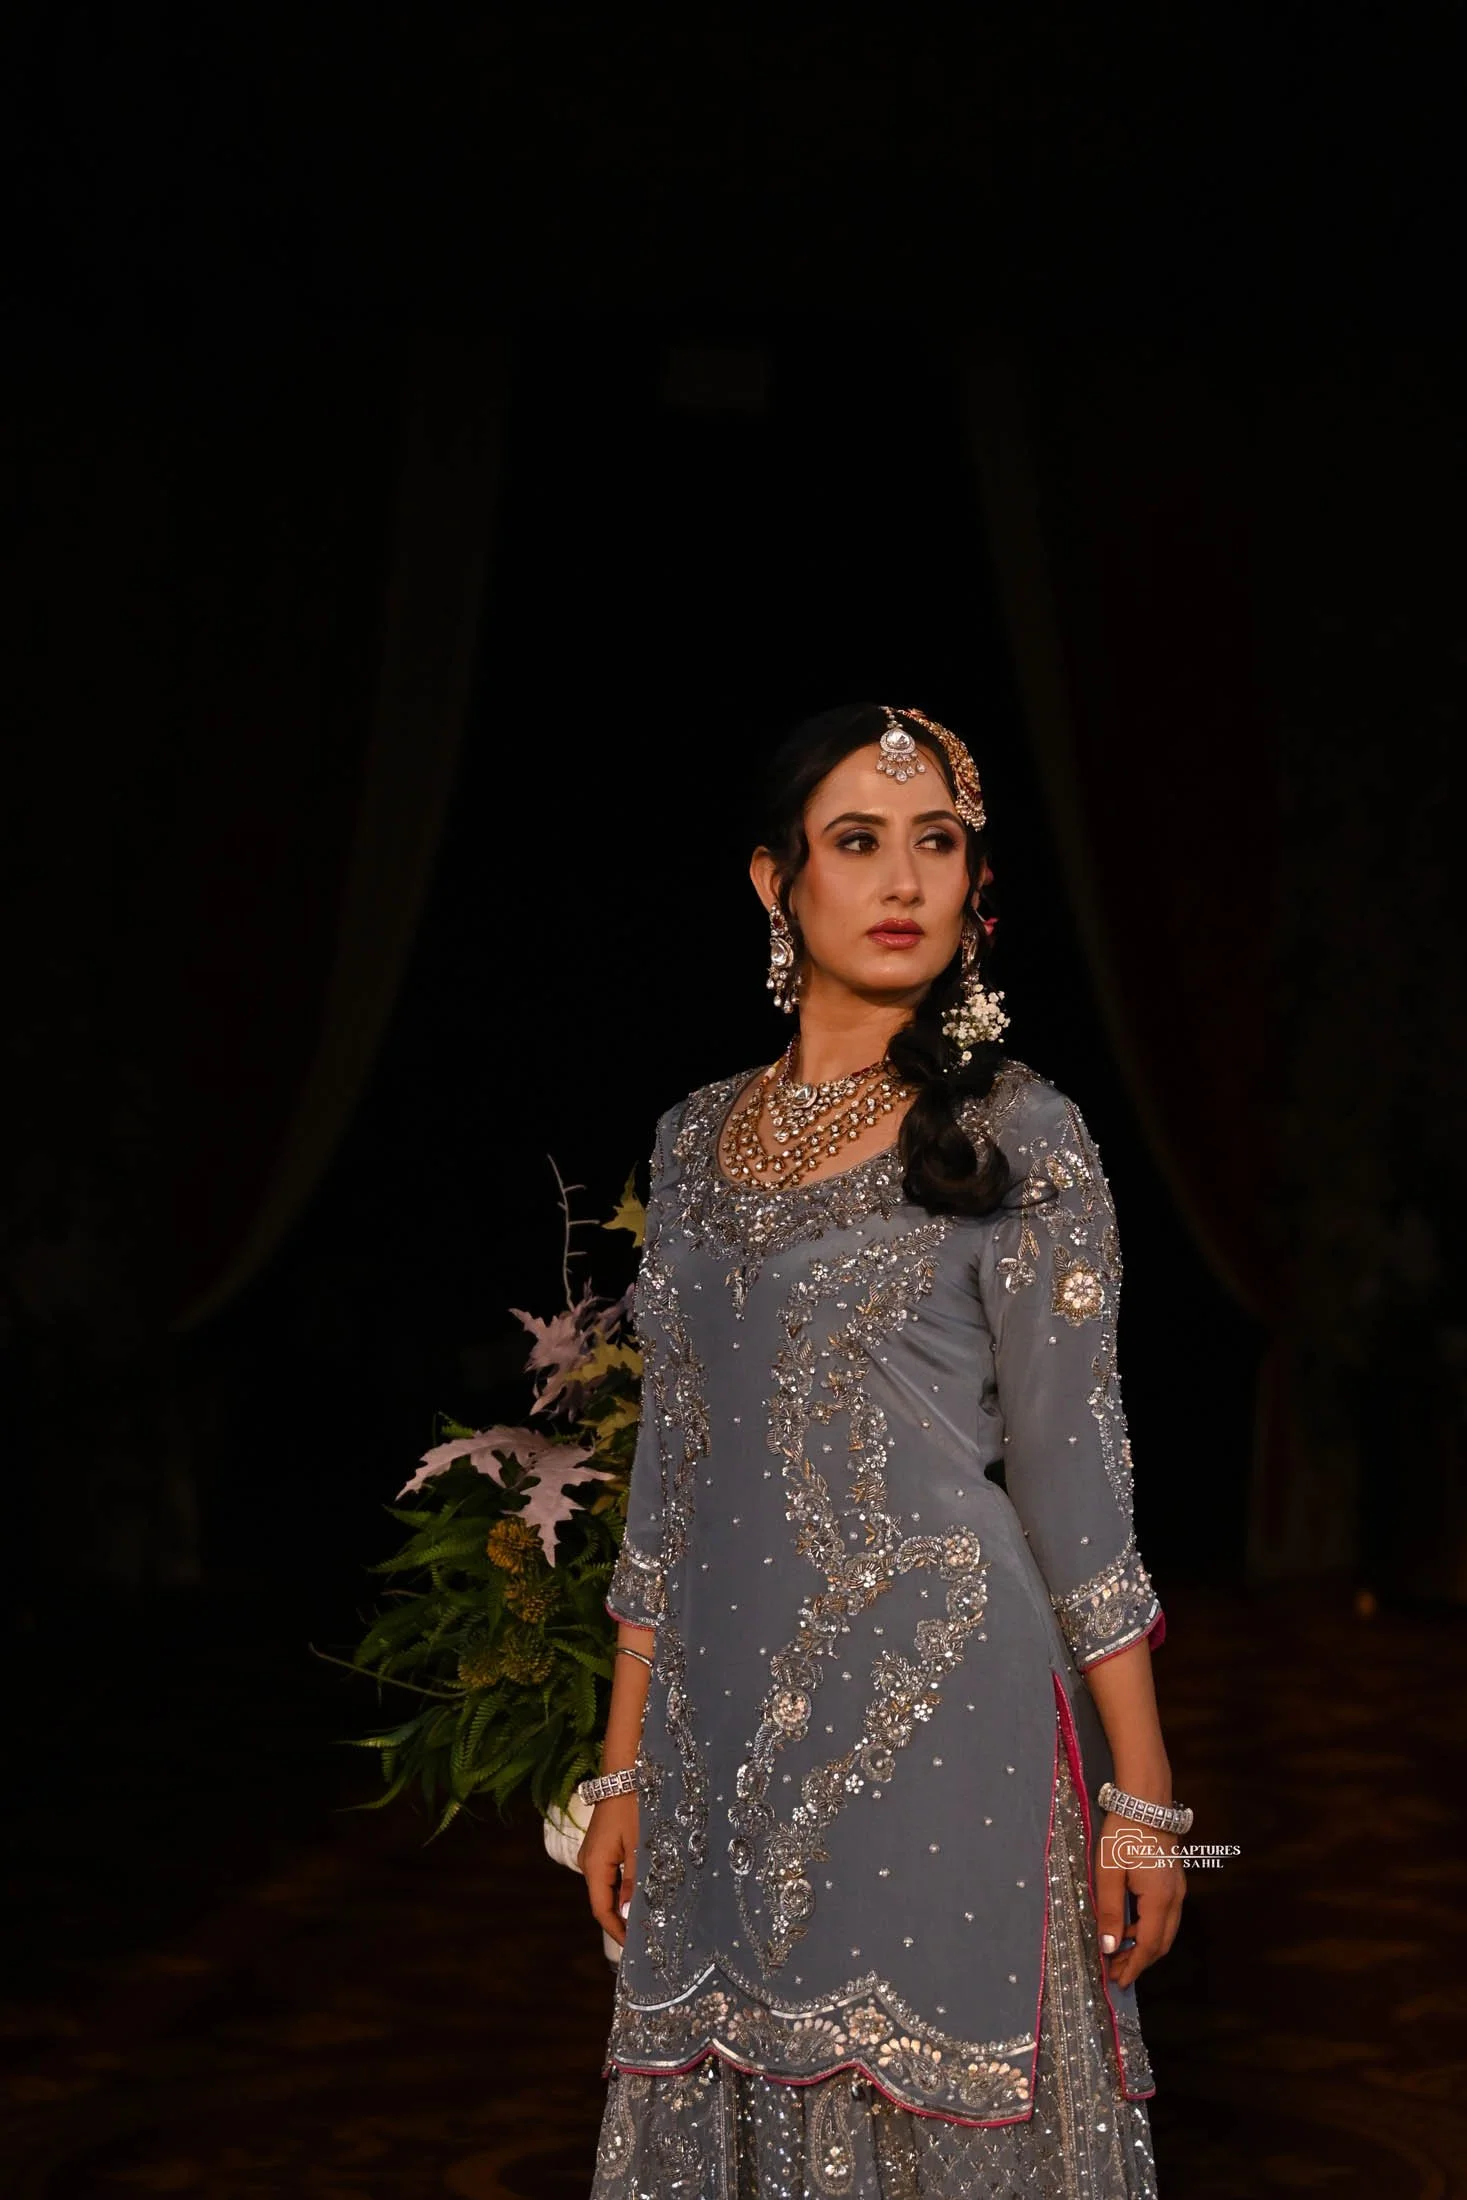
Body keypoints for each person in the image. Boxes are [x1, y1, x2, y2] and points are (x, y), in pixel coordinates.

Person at [577, 705, 1185, 2198]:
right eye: (857, 843)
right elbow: (671, 1476)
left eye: (936, 843)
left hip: (941, 1713)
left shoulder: (1017, 1131)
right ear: (774, 885)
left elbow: (1073, 1482)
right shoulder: (688, 1139)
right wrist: (618, 1766)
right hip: (718, 1729)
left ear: (976, 888)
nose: (902, 878)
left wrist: (1145, 1798)